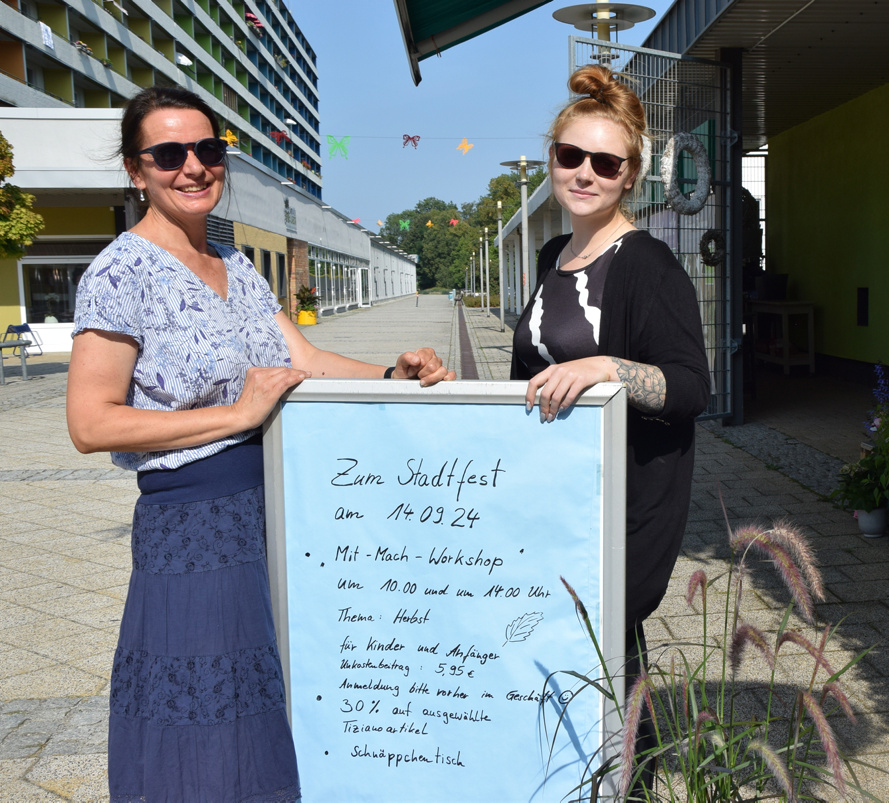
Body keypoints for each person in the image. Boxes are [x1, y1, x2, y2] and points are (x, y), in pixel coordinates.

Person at [65, 86, 454, 802]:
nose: (193, 167)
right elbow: (92, 422)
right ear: (136, 169)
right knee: (203, 713)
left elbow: (299, 359)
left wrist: (392, 373)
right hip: (192, 524)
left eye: (209, 150)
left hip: (273, 508)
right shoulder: (118, 272)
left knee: (270, 701)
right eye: (170, 153)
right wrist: (235, 415)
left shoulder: (232, 259)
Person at [509, 65, 710, 781]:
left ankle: (630, 778)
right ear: (552, 160)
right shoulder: (550, 256)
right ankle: (592, 773)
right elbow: (524, 378)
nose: (584, 173)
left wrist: (604, 367)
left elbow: (690, 386)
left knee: (605, 638)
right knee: (580, 646)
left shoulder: (647, 264)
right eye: (571, 157)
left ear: (630, 177)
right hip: (556, 494)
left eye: (605, 162)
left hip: (625, 502)